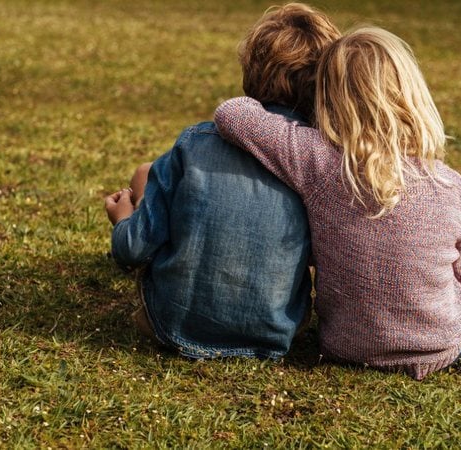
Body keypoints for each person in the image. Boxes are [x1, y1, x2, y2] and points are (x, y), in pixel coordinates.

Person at [213, 27, 461, 380]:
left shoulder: (317, 160)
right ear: (414, 96)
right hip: (440, 348)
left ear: (327, 100)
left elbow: (232, 113)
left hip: (346, 348)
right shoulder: (452, 186)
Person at [104, 4, 340, 359]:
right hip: (276, 335)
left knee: (147, 176)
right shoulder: (321, 163)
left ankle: (139, 201)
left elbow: (132, 249)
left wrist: (122, 218)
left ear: (250, 70)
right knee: (149, 175)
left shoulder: (196, 142)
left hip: (171, 326)